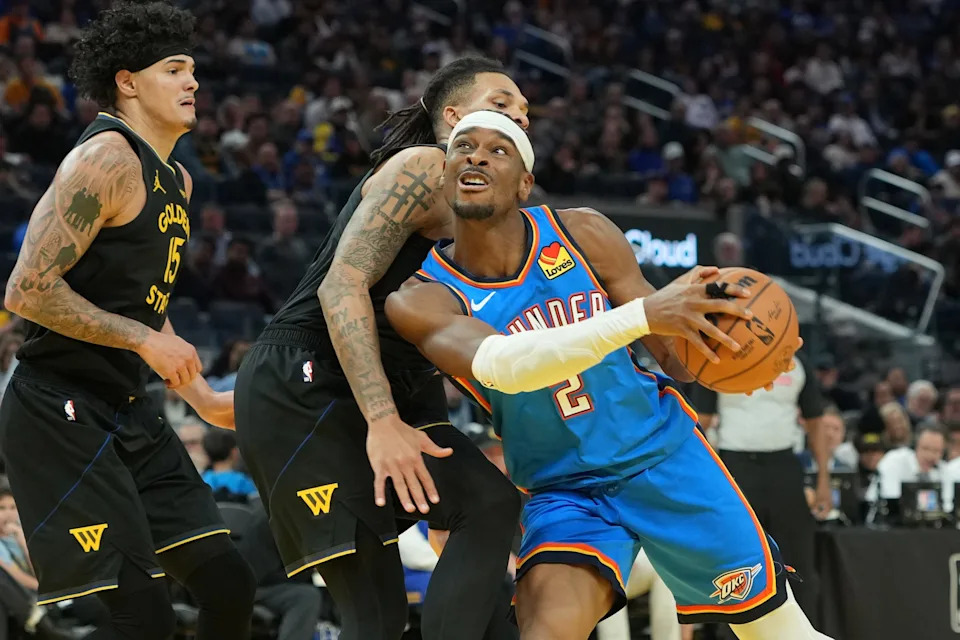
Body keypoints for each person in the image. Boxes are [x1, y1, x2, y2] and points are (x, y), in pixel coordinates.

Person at [386, 111, 829, 640]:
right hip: (564, 487)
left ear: (525, 183)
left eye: (497, 149)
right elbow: (505, 366)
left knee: (778, 633)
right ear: (445, 177)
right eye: (463, 147)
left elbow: (675, 360)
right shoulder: (421, 298)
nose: (476, 156)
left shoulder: (583, 233)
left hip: (663, 455)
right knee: (547, 632)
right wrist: (642, 315)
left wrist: (730, 347)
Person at [234, 57, 530, 640]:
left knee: (489, 504)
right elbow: (339, 286)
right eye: (502, 104)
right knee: (375, 616)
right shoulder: (426, 166)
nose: (519, 116)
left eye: (524, 113)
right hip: (314, 383)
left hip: (392, 381)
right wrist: (381, 419)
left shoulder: (493, 208)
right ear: (454, 119)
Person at [0, 4, 256, 639]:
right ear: (128, 81)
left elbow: (146, 307)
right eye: (174, 69)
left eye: (192, 69)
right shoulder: (105, 159)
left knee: (228, 582)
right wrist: (142, 338)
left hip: (130, 406)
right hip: (58, 408)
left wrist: (202, 398)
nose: (193, 81)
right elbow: (26, 290)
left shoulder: (178, 181)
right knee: (143, 615)